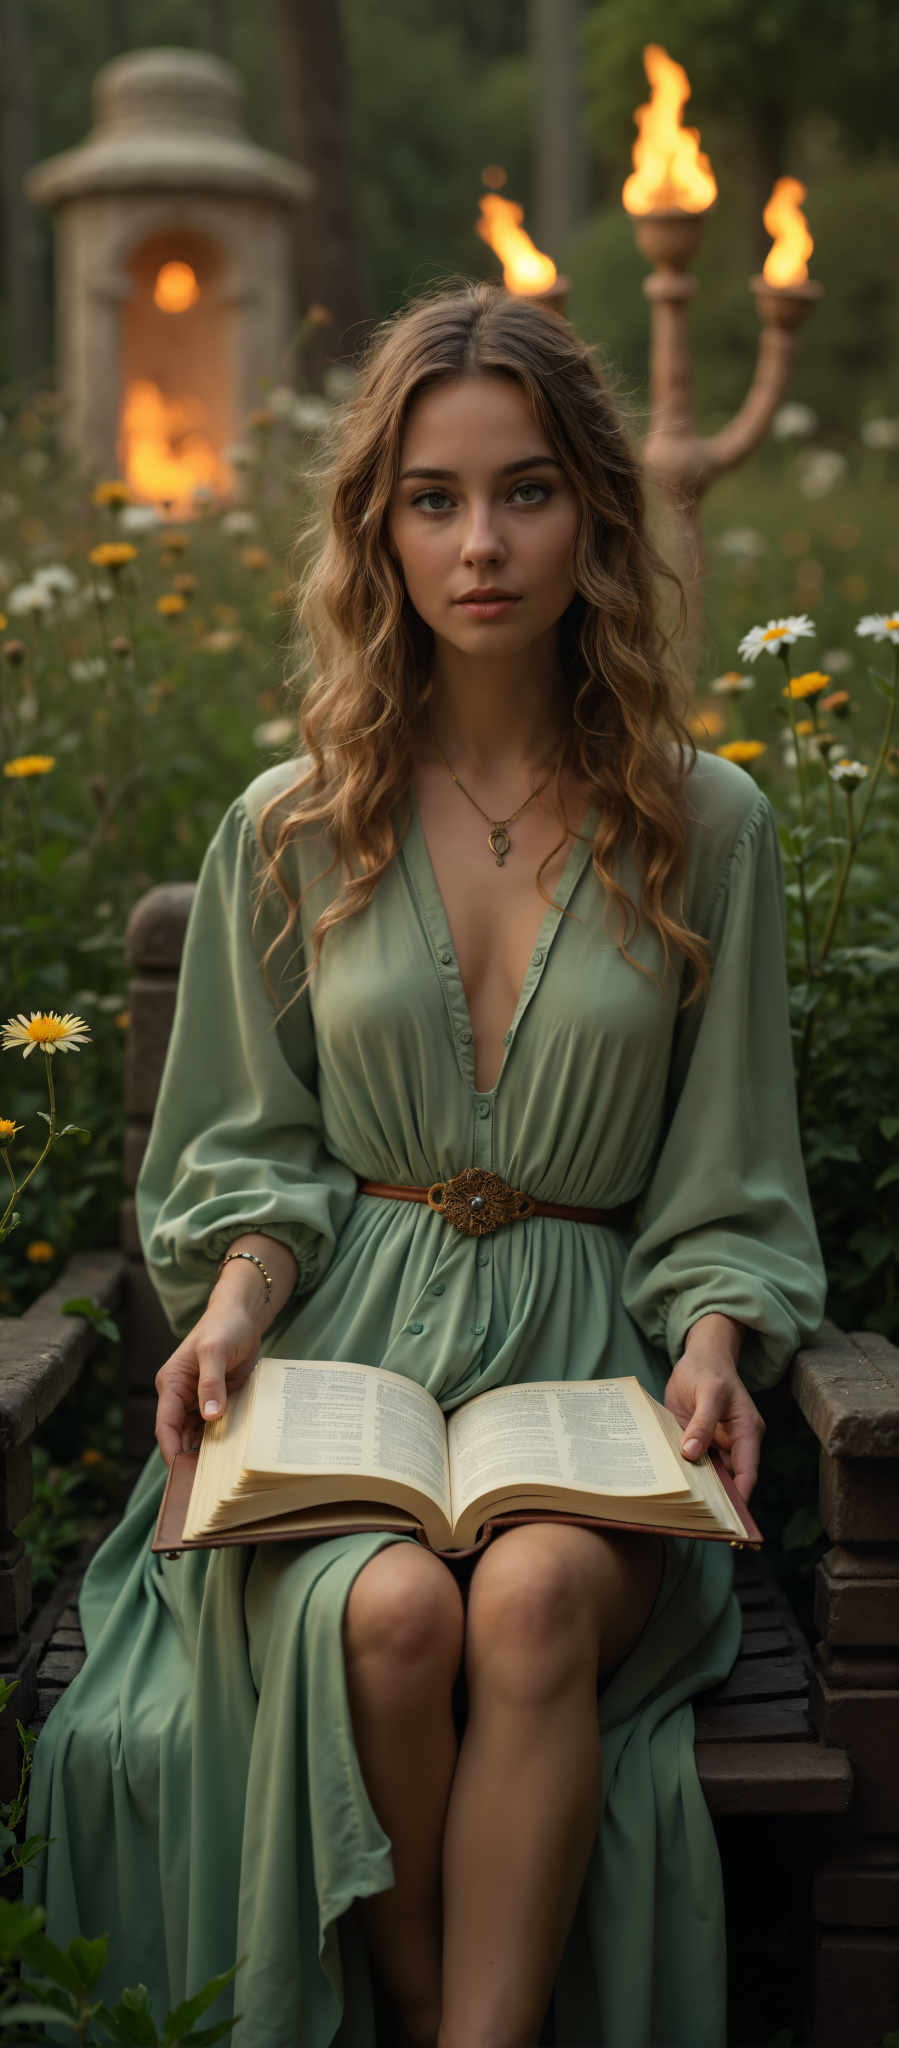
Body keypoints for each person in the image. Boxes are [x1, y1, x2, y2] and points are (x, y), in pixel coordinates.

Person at [26, 281, 826, 2048]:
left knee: (534, 1591)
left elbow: (732, 1176)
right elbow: (252, 1150)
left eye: (526, 491)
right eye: (434, 498)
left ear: (596, 516)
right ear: (376, 527)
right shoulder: (290, 825)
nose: (482, 544)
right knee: (386, 1617)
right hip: (342, 1371)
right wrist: (233, 1307)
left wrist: (712, 1345)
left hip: (583, 1379)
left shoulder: (712, 824)